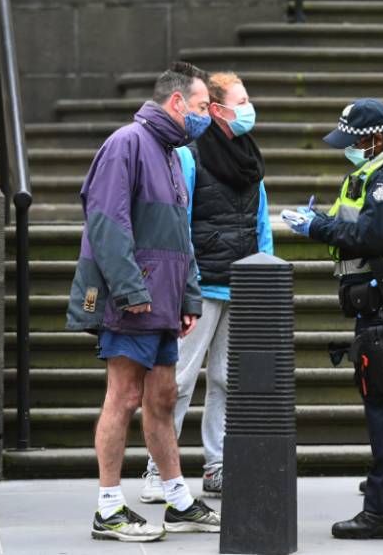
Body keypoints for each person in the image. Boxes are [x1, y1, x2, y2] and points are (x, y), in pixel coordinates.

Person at [65, 61, 221, 542]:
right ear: (176, 102)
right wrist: (131, 290)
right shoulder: (127, 144)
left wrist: (188, 296)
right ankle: (109, 508)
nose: (206, 116)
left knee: (161, 397)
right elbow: (107, 223)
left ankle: (177, 500)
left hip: (161, 301)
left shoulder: (170, 153)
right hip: (133, 300)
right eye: (201, 107)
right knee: (125, 396)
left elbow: (179, 236)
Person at [282, 99, 383, 539]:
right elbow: (357, 223)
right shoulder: (381, 169)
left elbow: (373, 235)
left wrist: (315, 227)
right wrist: (321, 219)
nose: (347, 149)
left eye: (352, 142)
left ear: (375, 138)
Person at [138, 72, 273, 503]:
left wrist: (263, 274)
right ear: (216, 109)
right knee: (178, 380)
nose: (249, 108)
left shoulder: (249, 157)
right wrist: (186, 286)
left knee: (226, 379)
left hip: (241, 284)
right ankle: (158, 470)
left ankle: (217, 465)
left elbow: (261, 223)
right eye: (242, 101)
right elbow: (180, 222)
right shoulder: (190, 156)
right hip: (203, 286)